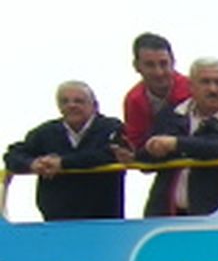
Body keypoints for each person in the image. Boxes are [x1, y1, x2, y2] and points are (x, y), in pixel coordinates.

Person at [139, 57, 218, 217]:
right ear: (191, 86)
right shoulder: (171, 114)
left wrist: (177, 145)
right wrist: (153, 149)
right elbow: (144, 160)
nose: (213, 89)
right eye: (205, 82)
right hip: (164, 217)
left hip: (216, 217)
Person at [5, 81, 128, 220]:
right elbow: (13, 155)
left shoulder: (112, 127)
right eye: (65, 101)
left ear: (94, 105)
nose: (71, 105)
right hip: (56, 220)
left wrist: (63, 163)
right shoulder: (45, 132)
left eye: (79, 101)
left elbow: (112, 154)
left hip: (103, 219)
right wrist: (32, 164)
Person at [121, 31, 218, 150]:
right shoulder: (134, 100)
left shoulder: (191, 86)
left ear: (173, 63)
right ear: (137, 66)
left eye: (163, 64)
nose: (158, 72)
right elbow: (136, 143)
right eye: (150, 65)